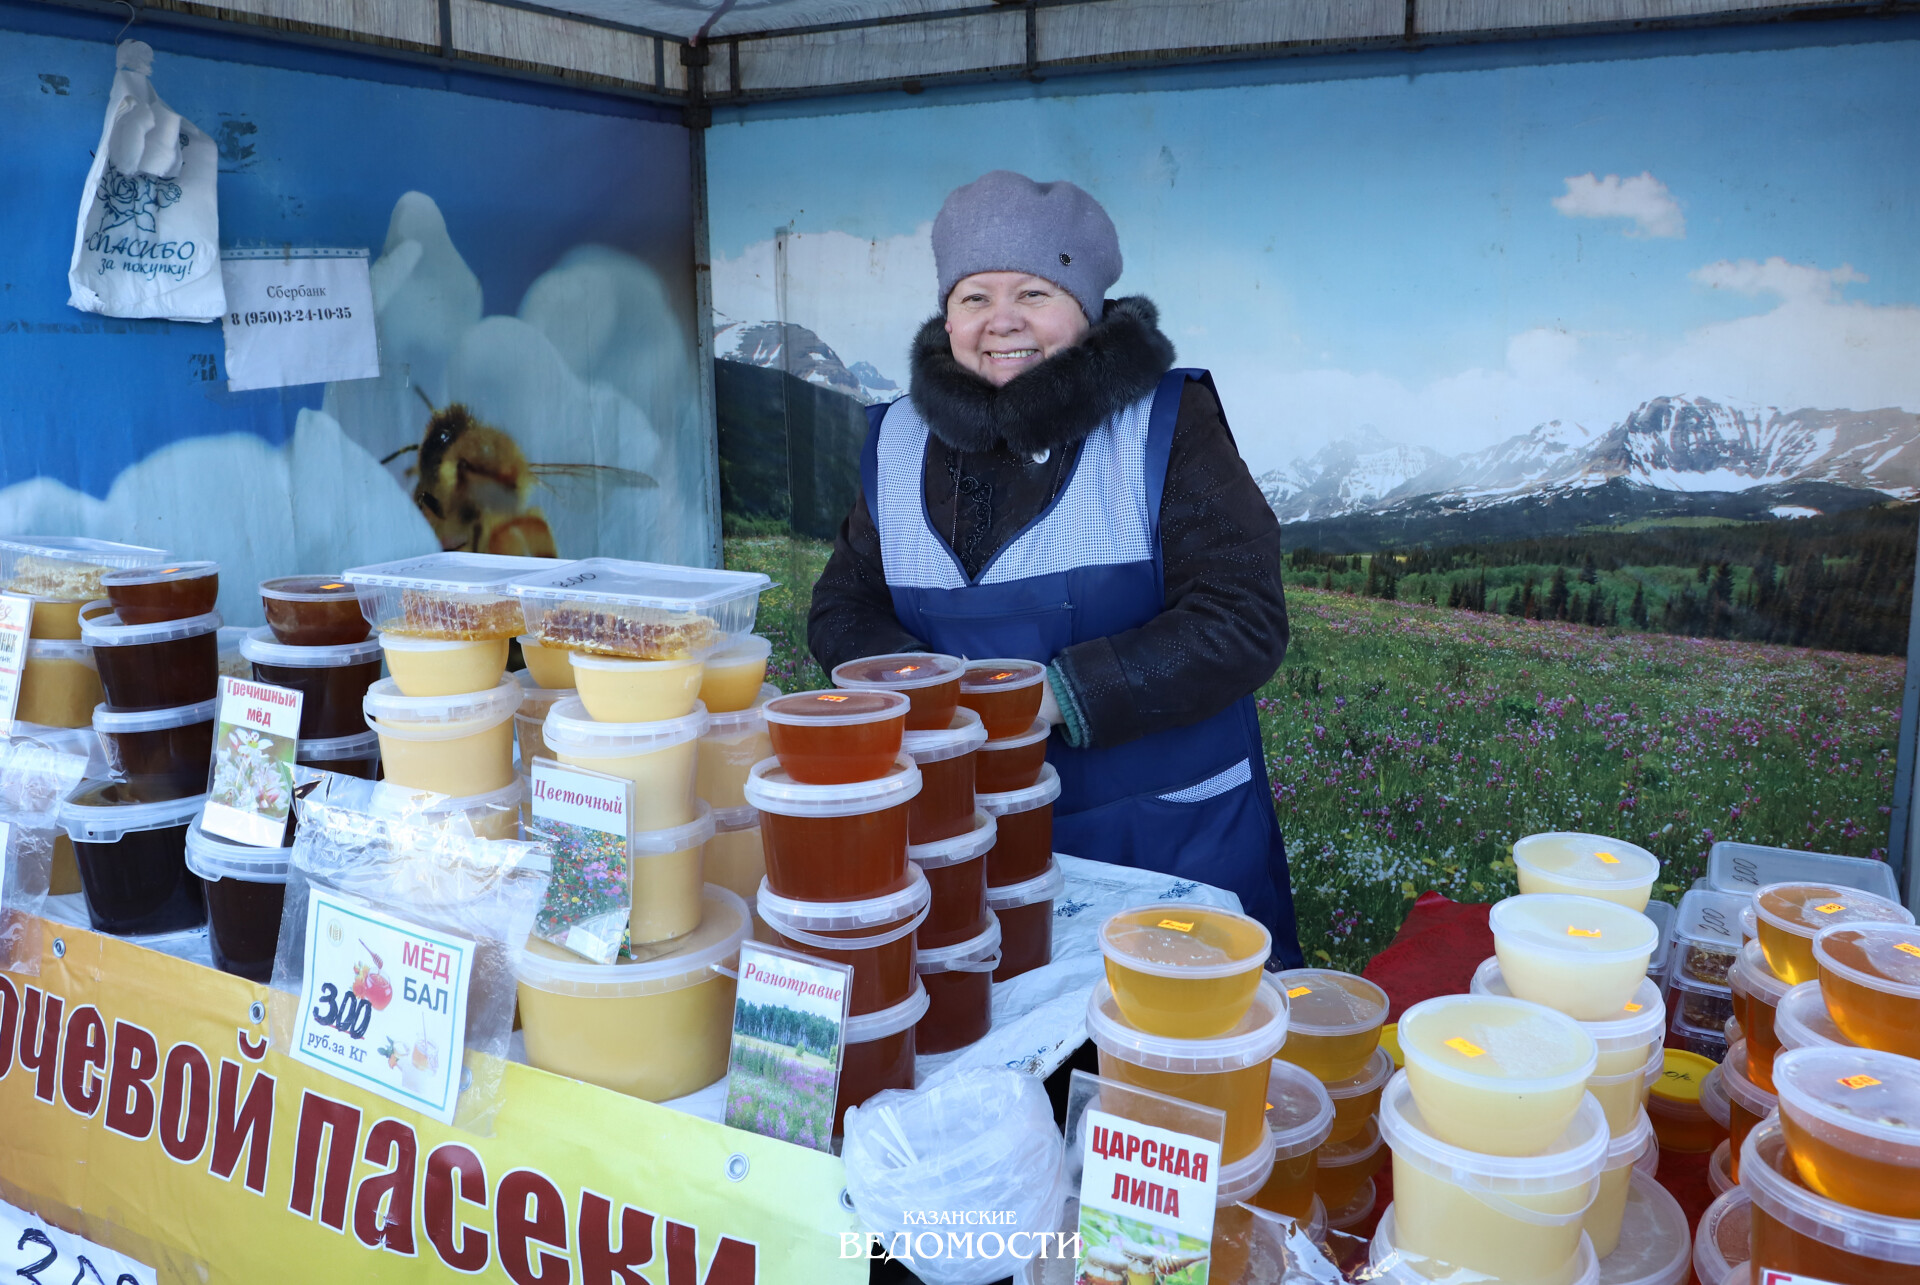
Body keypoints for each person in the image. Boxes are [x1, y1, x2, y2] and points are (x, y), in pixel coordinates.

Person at [808, 170, 1301, 966]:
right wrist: (927, 690)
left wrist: (1058, 694)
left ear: (1087, 309)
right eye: (974, 297)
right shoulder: (898, 443)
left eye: (1034, 292)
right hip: (965, 844)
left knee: (1164, 1069)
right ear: (947, 314)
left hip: (1165, 848)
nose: (1002, 322)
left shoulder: (1167, 426)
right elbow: (840, 609)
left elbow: (1241, 617)